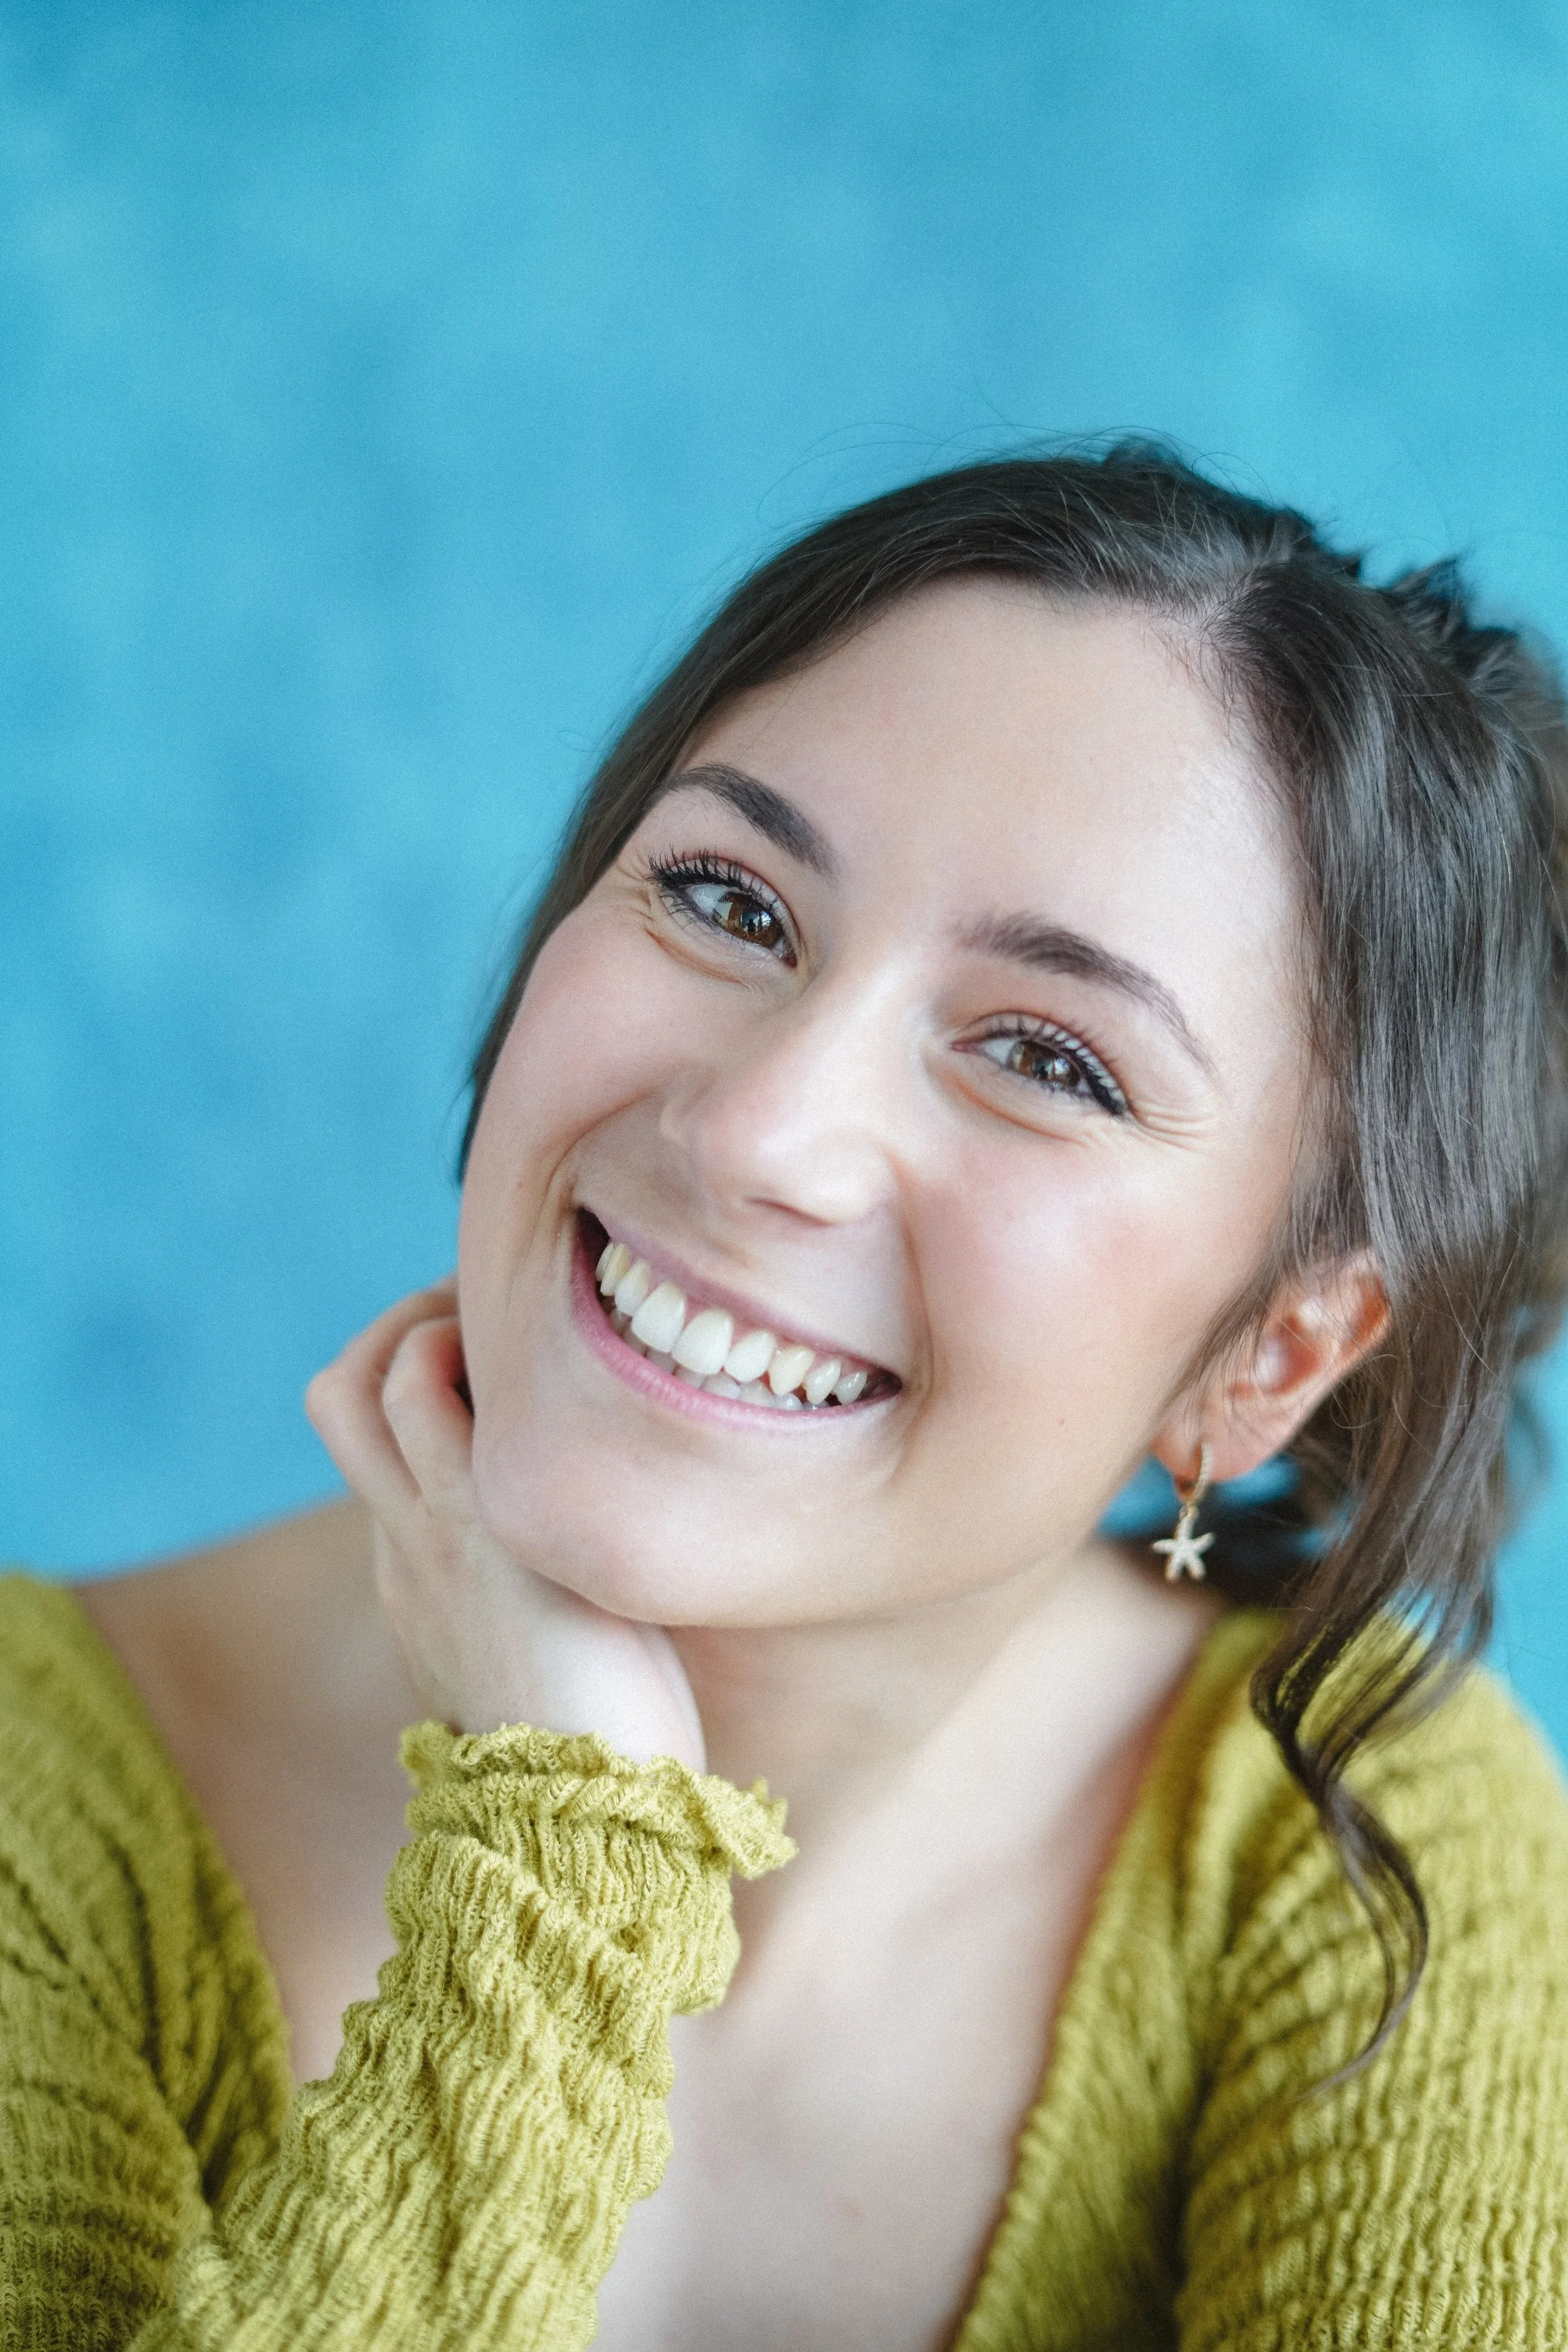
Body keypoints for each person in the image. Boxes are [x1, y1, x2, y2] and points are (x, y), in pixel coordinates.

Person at [4, 445, 1568, 2352]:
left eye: (1047, 1060)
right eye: (728, 900)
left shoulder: (1367, 1852)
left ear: (1272, 1360)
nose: (757, 1132)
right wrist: (570, 1843)